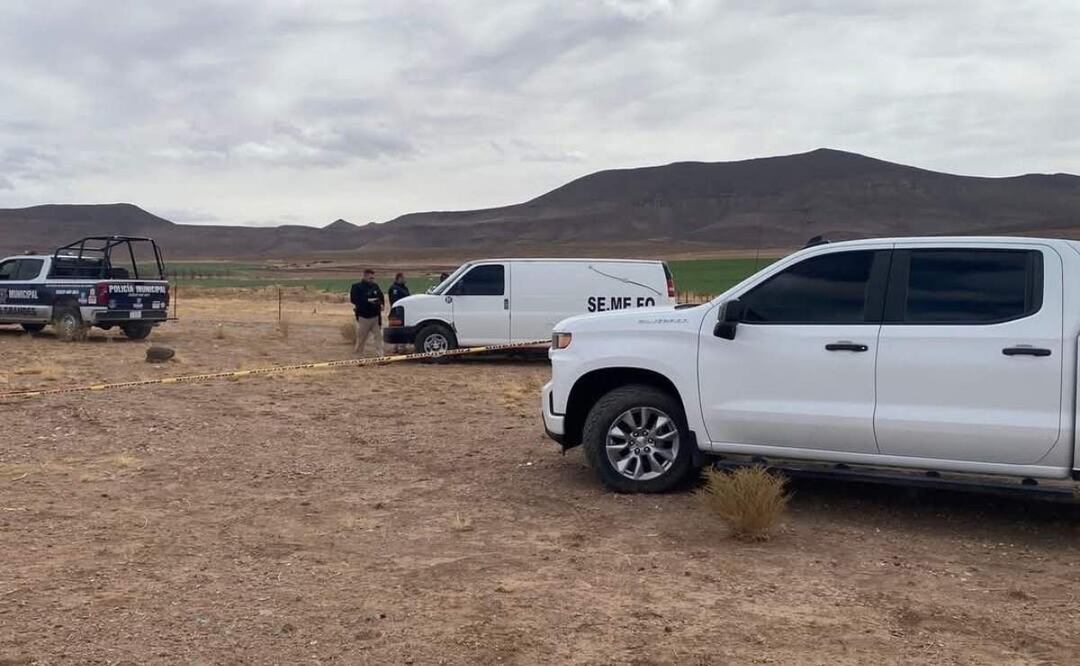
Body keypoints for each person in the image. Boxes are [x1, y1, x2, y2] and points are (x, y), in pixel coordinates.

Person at [350, 269, 384, 356]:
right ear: (364, 276)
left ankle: (380, 356)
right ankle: (359, 358)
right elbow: (354, 299)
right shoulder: (357, 287)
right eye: (370, 278)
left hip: (375, 317)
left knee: (378, 337)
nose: (372, 280)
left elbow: (380, 296)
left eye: (373, 278)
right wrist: (368, 301)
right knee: (361, 339)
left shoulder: (375, 286)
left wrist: (381, 304)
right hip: (364, 317)